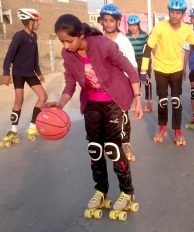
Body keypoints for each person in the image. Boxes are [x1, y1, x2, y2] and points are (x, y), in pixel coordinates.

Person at [52, 14, 142, 213]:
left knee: (113, 148)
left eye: (69, 40)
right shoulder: (68, 54)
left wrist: (137, 99)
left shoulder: (103, 44)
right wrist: (60, 104)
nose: (66, 46)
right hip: (91, 104)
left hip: (114, 101)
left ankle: (127, 192)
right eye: (62, 42)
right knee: (95, 149)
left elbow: (129, 69)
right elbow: (70, 83)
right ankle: (101, 190)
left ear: (81, 34)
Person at [140, 0, 194, 146]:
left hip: (176, 69)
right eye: (172, 12)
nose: (174, 15)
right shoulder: (159, 27)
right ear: (169, 12)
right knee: (163, 101)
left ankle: (177, 129)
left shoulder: (186, 30)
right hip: (160, 69)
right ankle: (162, 126)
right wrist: (143, 69)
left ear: (183, 14)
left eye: (178, 13)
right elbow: (148, 48)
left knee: (176, 101)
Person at [0, 8, 47, 147]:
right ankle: (13, 131)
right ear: (29, 22)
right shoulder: (18, 36)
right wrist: (6, 73)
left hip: (30, 73)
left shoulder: (34, 36)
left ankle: (32, 127)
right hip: (18, 73)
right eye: (36, 21)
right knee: (19, 100)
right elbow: (9, 56)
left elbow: (35, 56)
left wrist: (38, 72)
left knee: (43, 97)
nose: (38, 23)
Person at [99, 4, 138, 161]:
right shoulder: (98, 40)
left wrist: (136, 95)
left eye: (111, 21)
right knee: (103, 116)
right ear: (102, 21)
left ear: (117, 22)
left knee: (122, 115)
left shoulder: (123, 41)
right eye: (105, 20)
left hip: (121, 85)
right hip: (102, 85)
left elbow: (133, 67)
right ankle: (106, 143)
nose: (108, 23)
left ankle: (126, 143)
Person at [126, 15, 153, 113]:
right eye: (130, 25)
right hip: (132, 60)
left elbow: (150, 47)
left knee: (146, 81)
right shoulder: (127, 36)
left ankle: (149, 103)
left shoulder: (144, 35)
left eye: (134, 25)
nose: (132, 28)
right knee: (134, 81)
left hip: (144, 60)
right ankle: (136, 102)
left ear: (138, 25)